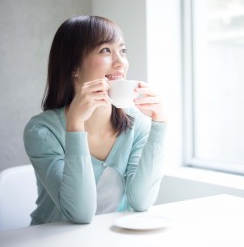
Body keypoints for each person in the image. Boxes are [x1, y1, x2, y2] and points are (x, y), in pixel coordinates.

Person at [23, 15, 167, 225]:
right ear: (73, 66)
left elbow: (141, 201)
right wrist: (75, 125)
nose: (120, 62)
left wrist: (160, 124)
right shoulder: (42, 131)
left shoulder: (137, 123)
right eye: (105, 50)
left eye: (122, 51)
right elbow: (79, 214)